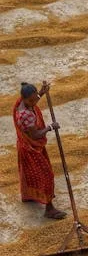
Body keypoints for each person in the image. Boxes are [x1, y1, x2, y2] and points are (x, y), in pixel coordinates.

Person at [13, 81, 66, 219]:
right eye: (30, 100)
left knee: (29, 174)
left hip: (25, 148)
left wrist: (42, 92)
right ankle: (49, 209)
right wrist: (50, 127)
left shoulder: (23, 102)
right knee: (46, 176)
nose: (34, 102)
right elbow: (35, 135)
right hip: (30, 150)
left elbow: (34, 99)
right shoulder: (25, 115)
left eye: (34, 98)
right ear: (24, 99)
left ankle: (29, 196)